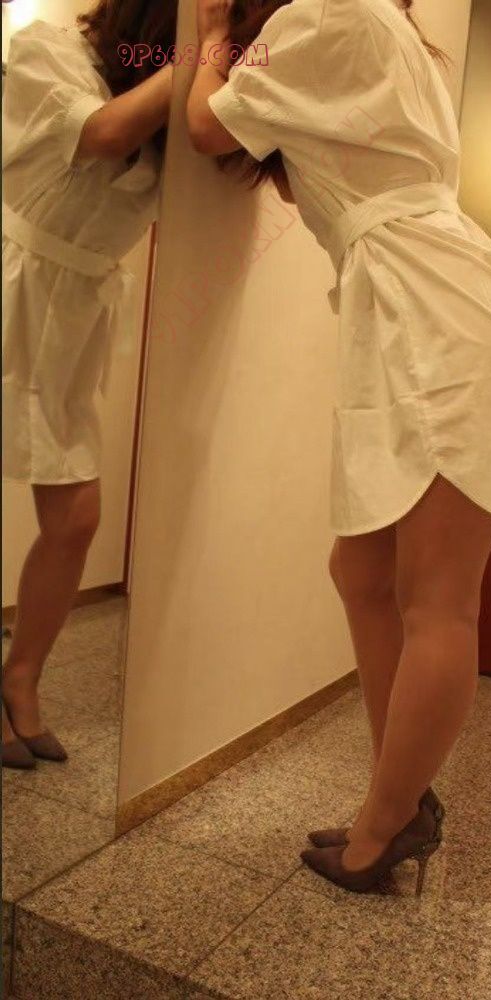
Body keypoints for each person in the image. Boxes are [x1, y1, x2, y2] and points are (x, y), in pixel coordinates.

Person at [186, 0, 491, 894]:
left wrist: (208, 40)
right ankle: (401, 797)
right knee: (360, 572)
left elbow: (206, 126)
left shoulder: (324, 13)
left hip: (442, 319)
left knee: (438, 600)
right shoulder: (379, 28)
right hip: (418, 310)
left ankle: (385, 823)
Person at [1, 0, 177, 770]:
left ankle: (19, 679)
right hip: (10, 283)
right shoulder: (49, 48)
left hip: (72, 317)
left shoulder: (167, 101)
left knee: (75, 520)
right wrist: (204, 52)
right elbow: (102, 134)